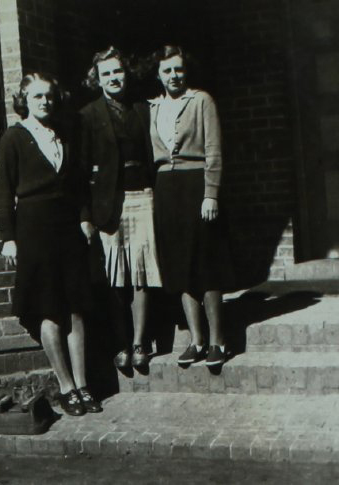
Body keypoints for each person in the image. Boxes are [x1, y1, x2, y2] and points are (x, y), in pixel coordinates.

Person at [0, 72, 101, 415]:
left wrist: (85, 217)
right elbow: (3, 192)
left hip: (67, 229)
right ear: (24, 99)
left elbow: (78, 183)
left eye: (50, 96)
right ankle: (66, 387)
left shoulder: (64, 136)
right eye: (38, 96)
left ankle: (83, 386)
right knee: (49, 308)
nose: (45, 102)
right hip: (34, 230)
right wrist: (8, 238)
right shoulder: (14, 138)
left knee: (76, 307)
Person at [147, 45, 236, 367]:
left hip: (196, 184)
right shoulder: (153, 107)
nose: (174, 75)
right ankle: (196, 340)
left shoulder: (201, 101)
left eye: (178, 69)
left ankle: (218, 341)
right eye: (167, 70)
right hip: (167, 190)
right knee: (179, 265)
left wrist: (211, 193)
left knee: (206, 262)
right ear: (158, 74)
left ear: (187, 71)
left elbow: (213, 150)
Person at [79, 47, 161, 369]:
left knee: (141, 272)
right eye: (106, 74)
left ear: (126, 73)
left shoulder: (142, 110)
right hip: (108, 204)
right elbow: (81, 171)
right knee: (115, 277)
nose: (113, 78)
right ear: (97, 80)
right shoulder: (88, 116)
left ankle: (141, 340)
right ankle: (121, 341)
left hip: (142, 195)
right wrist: (85, 215)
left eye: (118, 72)